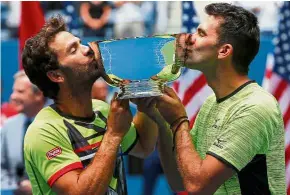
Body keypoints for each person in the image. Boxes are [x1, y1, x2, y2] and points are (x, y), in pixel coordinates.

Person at [145, 3, 286, 194]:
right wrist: (163, 122)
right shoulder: (211, 103)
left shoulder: (255, 106)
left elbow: (197, 186)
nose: (189, 39)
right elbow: (180, 182)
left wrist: (179, 121)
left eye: (201, 34)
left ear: (224, 51)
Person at [21, 15, 158, 195]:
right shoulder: (43, 131)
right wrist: (113, 135)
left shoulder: (101, 109)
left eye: (81, 43)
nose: (87, 49)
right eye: (73, 50)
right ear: (56, 76)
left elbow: (143, 147)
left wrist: (145, 104)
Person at [1, 70, 48, 195]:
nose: (12, 96)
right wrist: (14, 187)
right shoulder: (8, 126)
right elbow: (2, 167)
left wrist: (38, 188)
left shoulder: (58, 123)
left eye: (20, 91)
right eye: (13, 90)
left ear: (38, 95)